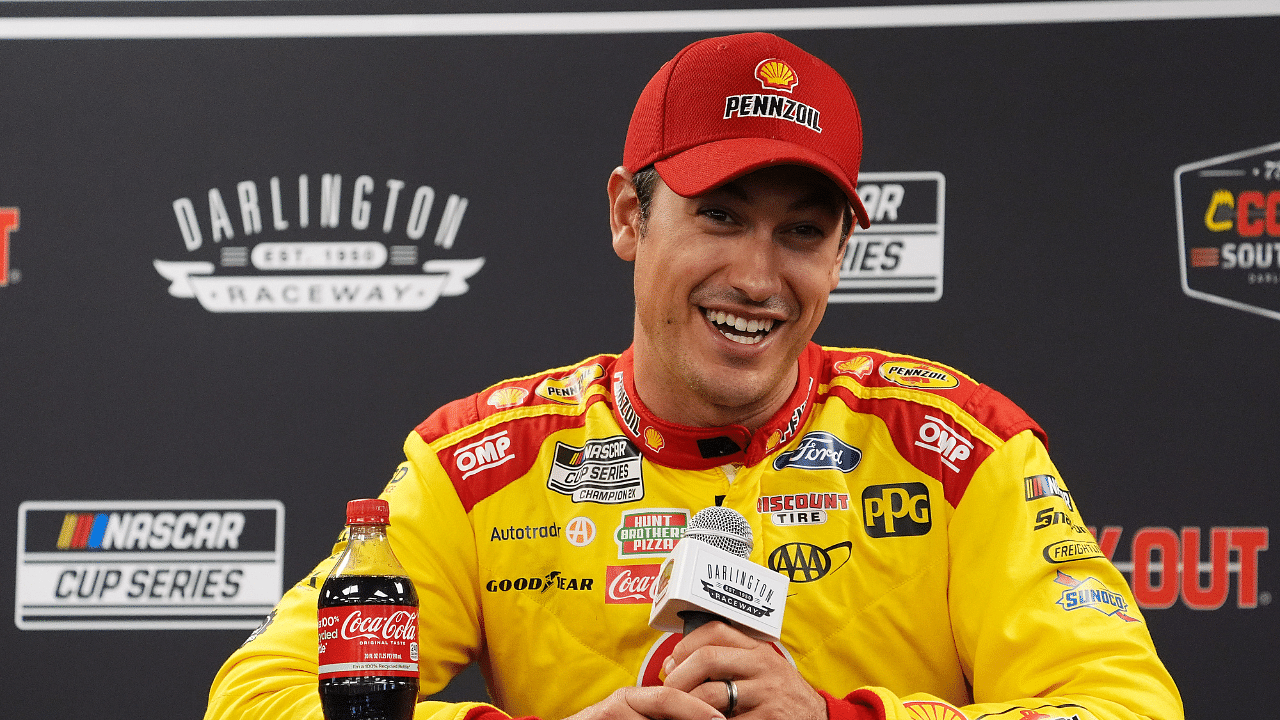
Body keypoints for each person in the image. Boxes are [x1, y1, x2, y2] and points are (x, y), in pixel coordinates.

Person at [205, 32, 1182, 720]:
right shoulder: (477, 465)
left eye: (800, 232)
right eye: (718, 216)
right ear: (629, 216)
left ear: (839, 253)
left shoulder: (960, 448)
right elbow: (259, 698)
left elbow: (1123, 707)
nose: (757, 277)